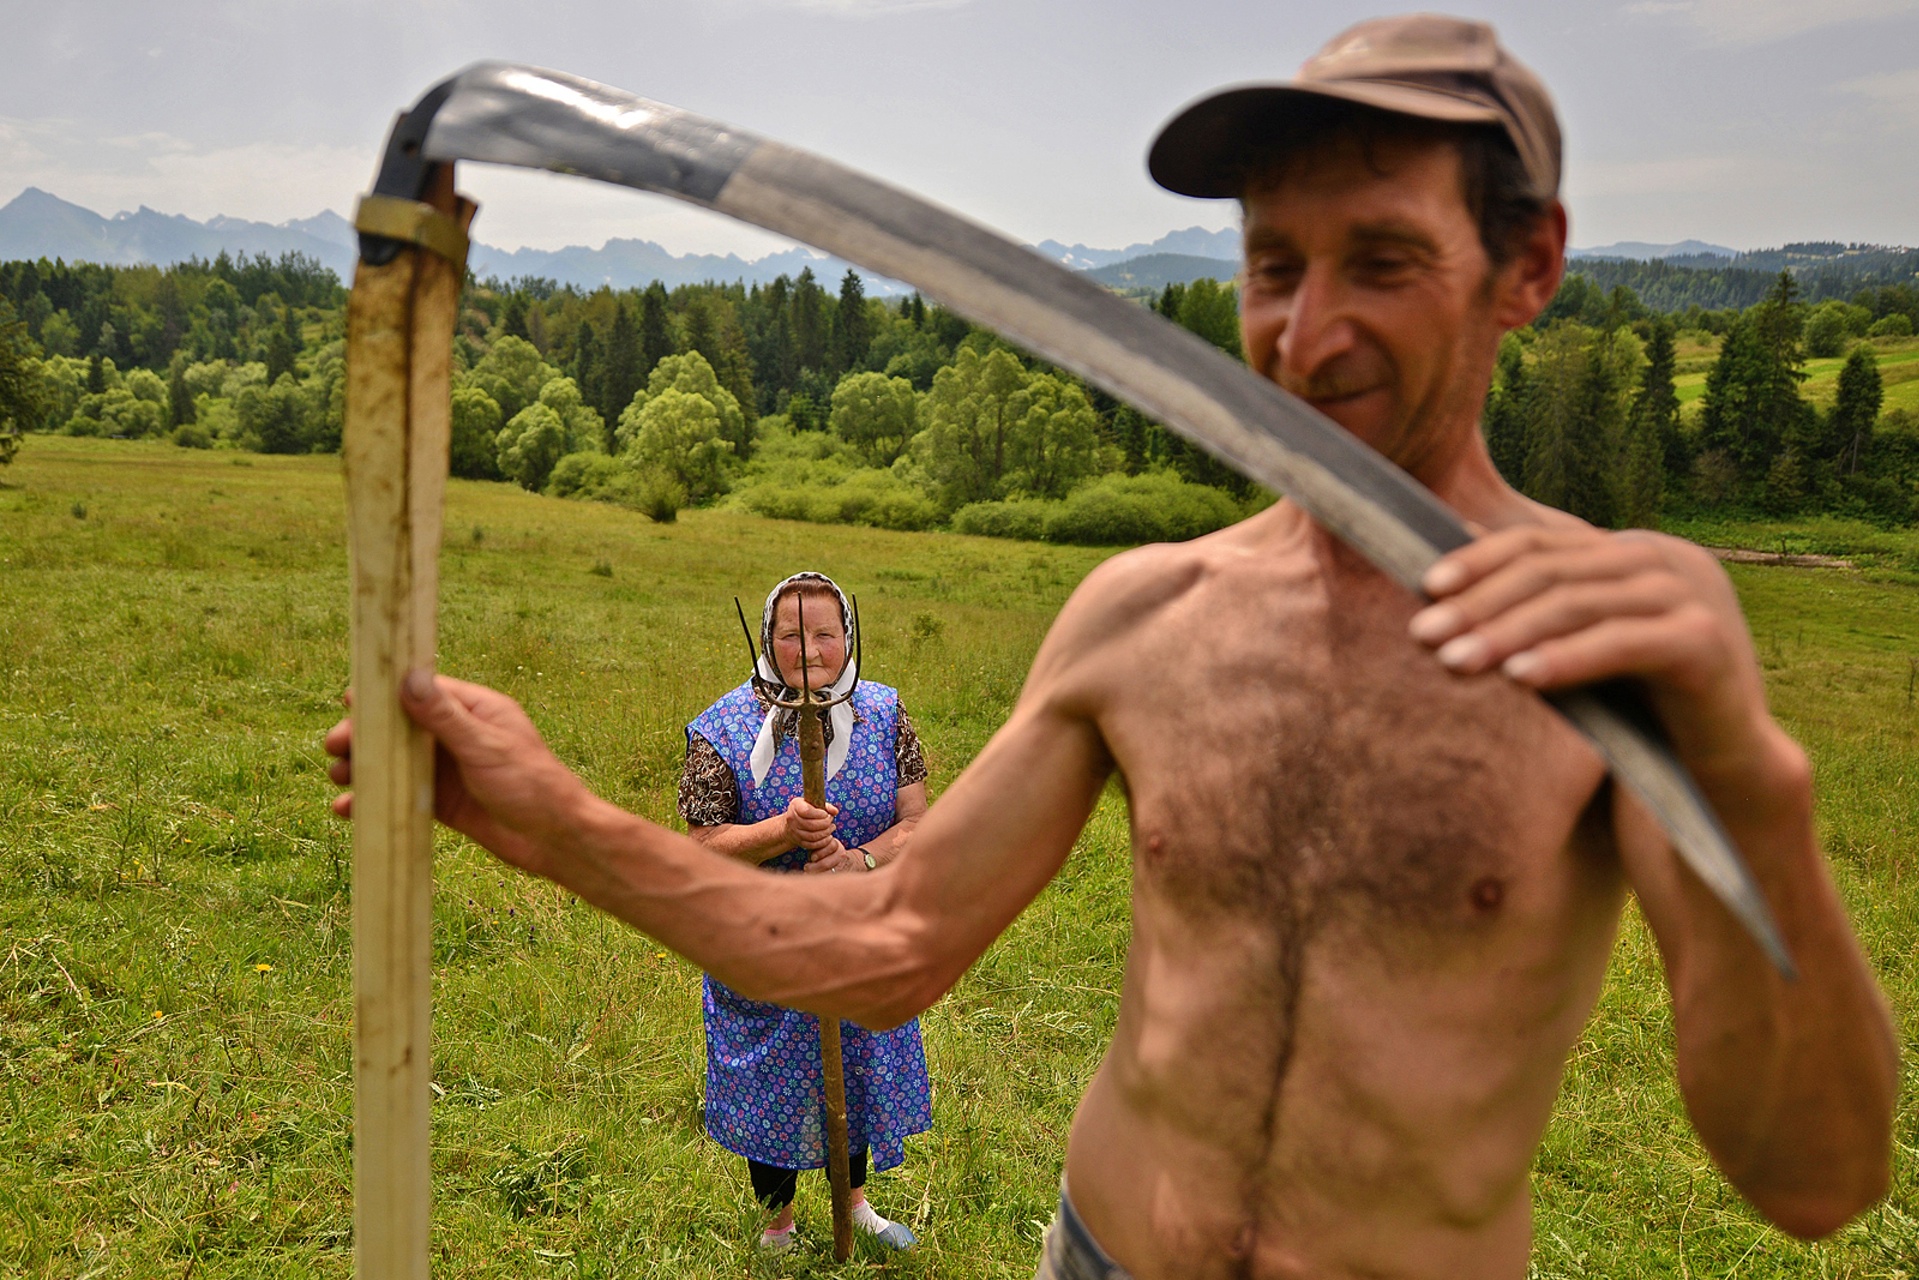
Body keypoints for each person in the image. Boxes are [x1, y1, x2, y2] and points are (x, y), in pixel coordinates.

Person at [327, 16, 1896, 1277]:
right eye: (1272, 264)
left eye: (1383, 259)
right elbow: (886, 948)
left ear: (1528, 267)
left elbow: (1815, 1182)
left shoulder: (1615, 656)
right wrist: (551, 823)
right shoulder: (1146, 617)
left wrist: (1748, 785)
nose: (1305, 331)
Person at [678, 571, 928, 1251]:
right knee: (770, 1084)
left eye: (825, 633)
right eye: (792, 634)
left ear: (848, 637)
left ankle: (856, 1203)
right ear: (767, 638)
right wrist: (782, 833)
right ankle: (778, 1223)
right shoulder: (723, 728)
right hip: (764, 945)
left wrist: (861, 860)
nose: (810, 649)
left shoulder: (885, 711)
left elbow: (917, 823)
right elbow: (702, 847)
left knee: (857, 1066)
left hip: (858, 936)